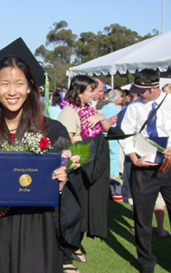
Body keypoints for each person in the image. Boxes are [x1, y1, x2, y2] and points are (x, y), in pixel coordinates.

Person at [0, 56, 69, 273]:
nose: (12, 91)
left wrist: (63, 182)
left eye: (19, 83)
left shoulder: (53, 131)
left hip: (39, 227)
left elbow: (71, 196)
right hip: (0, 226)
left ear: (30, 87)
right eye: (5, 84)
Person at [57, 75, 115, 271]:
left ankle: (73, 247)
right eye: (91, 91)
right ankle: (65, 257)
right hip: (74, 168)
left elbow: (107, 129)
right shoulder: (69, 112)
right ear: (80, 92)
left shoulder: (89, 109)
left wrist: (101, 117)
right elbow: (65, 142)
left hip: (88, 167)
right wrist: (82, 153)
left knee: (81, 211)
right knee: (69, 214)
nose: (95, 94)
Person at [119, 69, 171, 273]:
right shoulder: (133, 107)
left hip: (168, 166)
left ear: (154, 88)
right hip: (143, 168)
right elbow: (125, 134)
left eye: (143, 92)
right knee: (142, 218)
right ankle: (146, 263)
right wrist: (133, 158)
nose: (139, 95)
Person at [101, 89, 124, 200]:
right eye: (120, 97)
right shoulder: (116, 110)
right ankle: (114, 183)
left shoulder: (104, 108)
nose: (122, 99)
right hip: (113, 136)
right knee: (114, 159)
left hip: (104, 136)